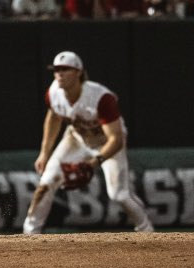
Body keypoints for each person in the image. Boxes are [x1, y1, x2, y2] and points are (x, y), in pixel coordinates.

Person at [23, 51, 153, 234]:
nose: (59, 73)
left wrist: (93, 163)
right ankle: (29, 233)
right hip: (77, 138)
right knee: (46, 183)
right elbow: (53, 117)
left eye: (65, 69)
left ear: (78, 72)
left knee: (119, 195)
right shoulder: (54, 93)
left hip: (106, 142)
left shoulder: (101, 98)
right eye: (56, 69)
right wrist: (44, 152)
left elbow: (115, 139)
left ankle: (147, 231)